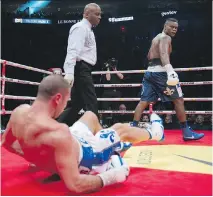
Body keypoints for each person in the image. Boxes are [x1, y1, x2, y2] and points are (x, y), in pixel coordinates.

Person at [1, 75, 165, 194]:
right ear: (58, 98)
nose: (65, 106)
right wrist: (112, 177)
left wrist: (39, 158)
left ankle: (114, 148)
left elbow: (7, 144)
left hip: (71, 142)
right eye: (66, 101)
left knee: (90, 116)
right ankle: (155, 133)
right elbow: (75, 185)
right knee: (119, 129)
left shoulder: (18, 112)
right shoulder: (58, 133)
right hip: (87, 155)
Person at [132, 18, 204, 141]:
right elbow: (164, 54)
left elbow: (149, 55)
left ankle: (133, 129)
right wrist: (169, 71)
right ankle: (187, 132)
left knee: (143, 101)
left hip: (149, 72)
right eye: (172, 27)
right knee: (178, 100)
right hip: (161, 74)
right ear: (165, 26)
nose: (174, 29)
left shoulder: (156, 38)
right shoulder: (165, 38)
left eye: (176, 28)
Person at [59, 3, 102, 126]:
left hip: (84, 68)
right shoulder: (80, 28)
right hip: (81, 68)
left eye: (100, 15)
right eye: (97, 14)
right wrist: (69, 72)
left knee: (78, 104)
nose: (100, 17)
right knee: (91, 100)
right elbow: (72, 51)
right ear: (87, 14)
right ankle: (96, 131)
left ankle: (57, 126)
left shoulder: (87, 29)